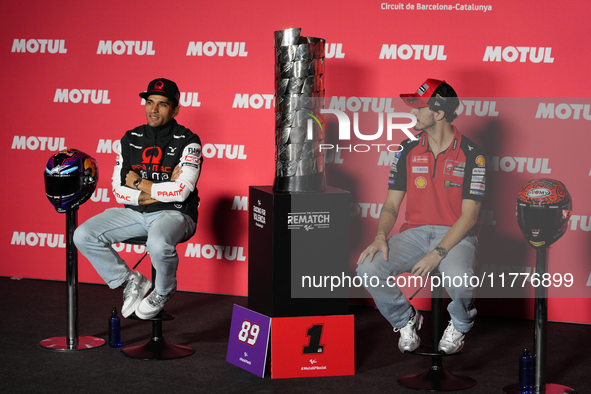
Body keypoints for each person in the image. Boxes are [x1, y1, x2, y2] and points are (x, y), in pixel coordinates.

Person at [356, 79, 485, 354]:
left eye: (419, 108)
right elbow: (392, 202)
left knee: (460, 279)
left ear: (438, 114)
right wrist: (381, 236)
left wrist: (438, 253)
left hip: (457, 235)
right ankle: (406, 319)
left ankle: (461, 322)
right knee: (368, 267)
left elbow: (470, 216)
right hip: (414, 234)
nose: (413, 113)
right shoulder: (407, 148)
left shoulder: (473, 154)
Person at [74, 78, 203, 320]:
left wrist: (139, 183)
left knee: (157, 243)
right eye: (149, 102)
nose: (153, 110)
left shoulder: (189, 141)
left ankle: (163, 291)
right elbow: (118, 190)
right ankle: (129, 279)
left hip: (176, 214)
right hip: (135, 213)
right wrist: (154, 192)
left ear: (175, 109)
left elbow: (181, 193)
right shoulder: (130, 138)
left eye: (162, 104)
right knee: (83, 234)